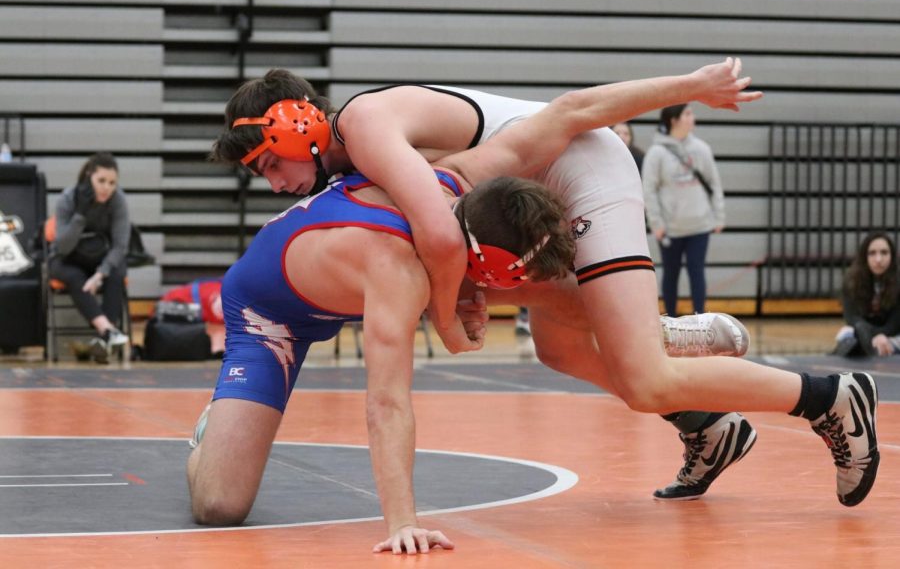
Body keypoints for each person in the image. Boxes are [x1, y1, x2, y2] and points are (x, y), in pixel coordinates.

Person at [213, 58, 878, 514]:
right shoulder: (348, 170)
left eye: (271, 161)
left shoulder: (361, 128)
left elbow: (452, 231)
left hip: (579, 170)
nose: (272, 182)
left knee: (644, 375)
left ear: (297, 121)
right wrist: (459, 298)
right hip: (529, 187)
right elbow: (442, 238)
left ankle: (827, 397)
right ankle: (705, 422)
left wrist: (449, 323)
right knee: (560, 351)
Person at [187, 171, 575, 555]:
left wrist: (457, 303)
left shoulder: (452, 184)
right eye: (509, 280)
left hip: (333, 285)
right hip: (268, 315)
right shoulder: (396, 267)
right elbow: (386, 402)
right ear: (487, 260)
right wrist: (403, 522)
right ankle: (213, 426)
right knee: (220, 505)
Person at [642, 104, 725, 317]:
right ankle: (671, 320)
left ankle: (701, 320)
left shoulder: (702, 149)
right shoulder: (657, 152)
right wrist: (656, 224)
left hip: (699, 225)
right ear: (673, 120)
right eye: (687, 114)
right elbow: (648, 190)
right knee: (671, 274)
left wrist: (719, 216)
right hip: (671, 228)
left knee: (697, 272)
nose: (692, 117)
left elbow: (714, 183)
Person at [48, 152, 130, 363]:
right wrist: (81, 215)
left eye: (112, 182)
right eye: (101, 181)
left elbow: (120, 245)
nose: (107, 187)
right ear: (88, 177)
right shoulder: (69, 197)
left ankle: (103, 340)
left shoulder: (118, 200)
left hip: (98, 257)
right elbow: (63, 246)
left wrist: (100, 274)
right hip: (68, 258)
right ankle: (109, 332)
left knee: (117, 271)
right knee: (74, 276)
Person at [832, 232, 900, 357]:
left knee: (889, 343)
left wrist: (877, 336)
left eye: (884, 253)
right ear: (864, 257)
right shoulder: (851, 280)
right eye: (872, 253)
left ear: (892, 256)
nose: (878, 259)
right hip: (861, 332)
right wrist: (866, 334)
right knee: (846, 334)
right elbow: (851, 318)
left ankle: (864, 350)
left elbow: (895, 324)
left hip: (890, 335)